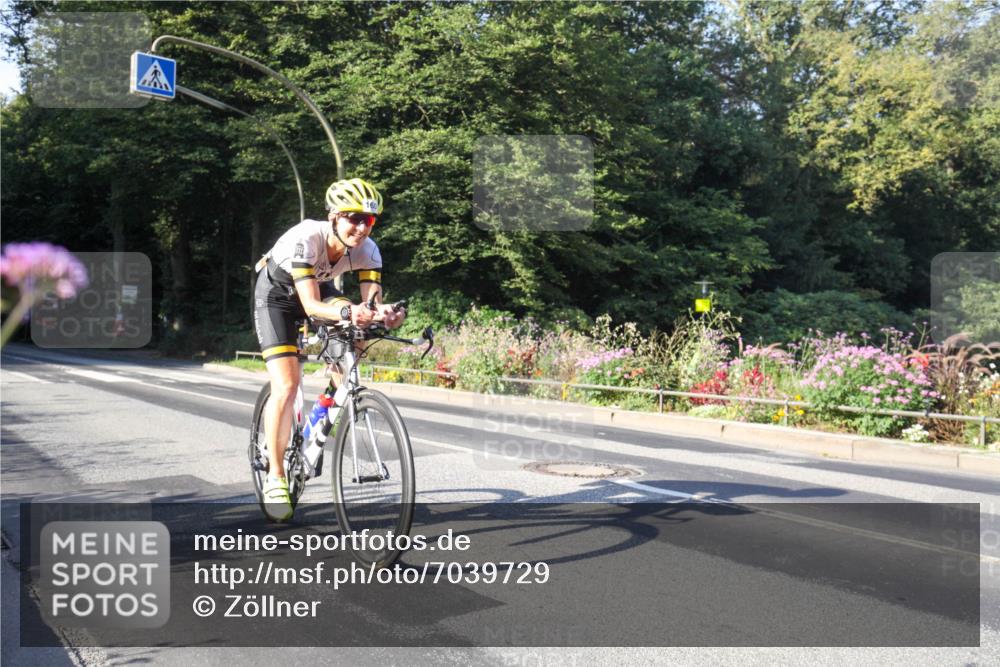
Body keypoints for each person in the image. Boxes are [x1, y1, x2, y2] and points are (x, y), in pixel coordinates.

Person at [253, 178, 405, 521]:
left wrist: (387, 314)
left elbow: (370, 305)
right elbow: (309, 305)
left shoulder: (369, 250)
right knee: (287, 384)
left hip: (318, 291)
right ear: (334, 216)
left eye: (369, 220)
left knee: (357, 337)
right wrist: (349, 312)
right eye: (354, 218)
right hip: (277, 297)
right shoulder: (307, 237)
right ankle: (275, 475)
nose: (362, 228)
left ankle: (323, 411)